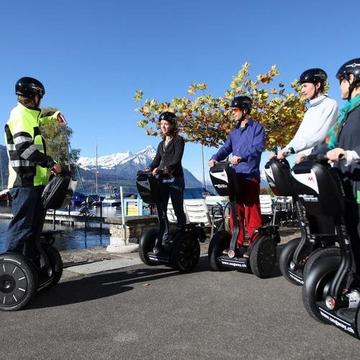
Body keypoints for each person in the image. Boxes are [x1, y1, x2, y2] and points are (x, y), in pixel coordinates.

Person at [3, 77, 65, 264]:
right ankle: (8, 273)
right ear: (32, 95)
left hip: (36, 183)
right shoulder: (19, 115)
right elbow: (24, 148)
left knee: (32, 232)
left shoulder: (30, 114)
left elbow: (40, 117)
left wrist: (54, 116)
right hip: (24, 183)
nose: (41, 99)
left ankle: (29, 271)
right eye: (39, 95)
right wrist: (50, 163)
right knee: (21, 230)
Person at [312, 58, 360, 286]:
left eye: (341, 81)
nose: (340, 86)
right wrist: (312, 154)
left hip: (358, 184)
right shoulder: (345, 115)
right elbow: (329, 143)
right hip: (345, 186)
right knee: (350, 238)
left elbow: (344, 149)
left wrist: (348, 154)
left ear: (352, 79)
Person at [208, 96, 265, 256]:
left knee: (252, 213)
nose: (232, 113)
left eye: (235, 110)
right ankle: (237, 244)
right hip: (234, 177)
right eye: (232, 110)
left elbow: (257, 149)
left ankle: (254, 246)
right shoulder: (234, 132)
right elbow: (226, 148)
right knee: (235, 212)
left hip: (250, 176)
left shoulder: (257, 128)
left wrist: (241, 156)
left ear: (245, 110)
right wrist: (215, 158)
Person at [276, 68, 338, 161]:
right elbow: (299, 136)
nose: (302, 90)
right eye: (301, 87)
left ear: (317, 85)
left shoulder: (330, 104)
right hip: (305, 159)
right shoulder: (310, 110)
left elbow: (318, 136)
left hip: (323, 160)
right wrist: (283, 151)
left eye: (305, 86)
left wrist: (289, 151)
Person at [148, 111, 186, 253]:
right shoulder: (160, 144)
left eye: (166, 124)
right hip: (163, 181)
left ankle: (182, 233)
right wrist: (150, 168)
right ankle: (163, 238)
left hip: (176, 179)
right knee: (161, 210)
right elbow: (156, 161)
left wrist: (163, 169)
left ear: (172, 125)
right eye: (161, 124)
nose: (163, 127)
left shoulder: (179, 140)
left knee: (178, 209)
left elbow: (176, 160)